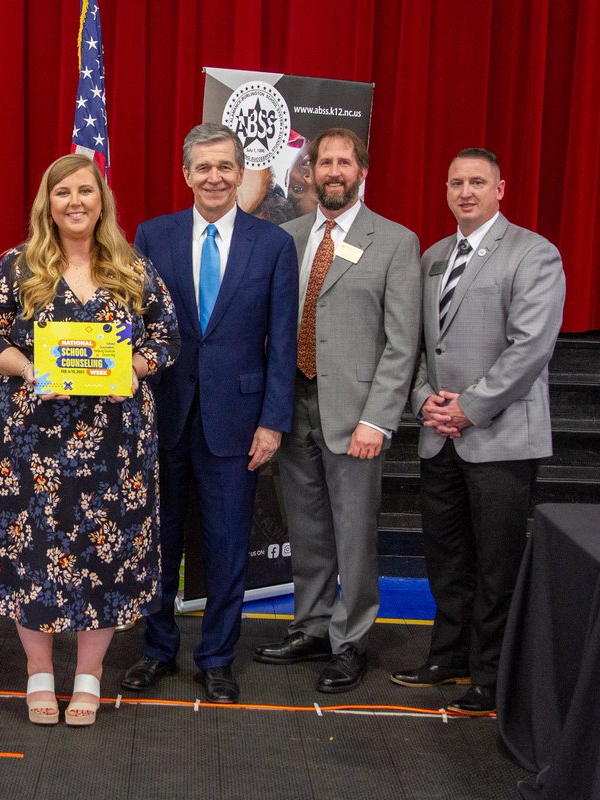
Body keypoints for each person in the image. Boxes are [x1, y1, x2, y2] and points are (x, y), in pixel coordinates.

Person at [0, 153, 180, 726]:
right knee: (32, 554)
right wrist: (28, 367)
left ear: (102, 201)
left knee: (104, 558)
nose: (75, 202)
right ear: (48, 203)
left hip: (115, 447)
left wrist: (132, 369)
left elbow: (166, 338)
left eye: (85, 191)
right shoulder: (16, 266)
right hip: (31, 447)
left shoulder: (134, 269)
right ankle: (39, 673)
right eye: (63, 193)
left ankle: (88, 675)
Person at [121, 123, 297, 704]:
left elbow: (282, 343)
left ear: (241, 171)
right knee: (159, 544)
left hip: (238, 425)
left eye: (226, 167)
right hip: (163, 417)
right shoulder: (154, 235)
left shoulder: (273, 245)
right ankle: (157, 649)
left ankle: (218, 657)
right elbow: (136, 326)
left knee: (226, 549)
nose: (215, 177)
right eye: (204, 167)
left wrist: (273, 422)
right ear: (187, 174)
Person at [390, 148, 564, 715]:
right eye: (456, 181)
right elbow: (421, 347)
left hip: (500, 437)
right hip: (439, 434)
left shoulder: (534, 254)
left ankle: (492, 676)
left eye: (478, 182)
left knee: (497, 564)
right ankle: (448, 657)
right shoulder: (434, 257)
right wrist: (424, 401)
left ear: (500, 188)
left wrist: (470, 407)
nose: (466, 191)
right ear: (445, 189)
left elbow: (530, 347)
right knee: (447, 558)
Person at [253, 127, 421, 693]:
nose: (333, 171)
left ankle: (351, 642)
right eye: (324, 161)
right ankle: (312, 626)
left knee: (354, 535)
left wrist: (379, 418)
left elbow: (402, 343)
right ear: (311, 171)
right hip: (294, 406)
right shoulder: (289, 237)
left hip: (356, 416)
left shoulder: (396, 242)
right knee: (307, 531)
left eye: (343, 162)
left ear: (361, 172)